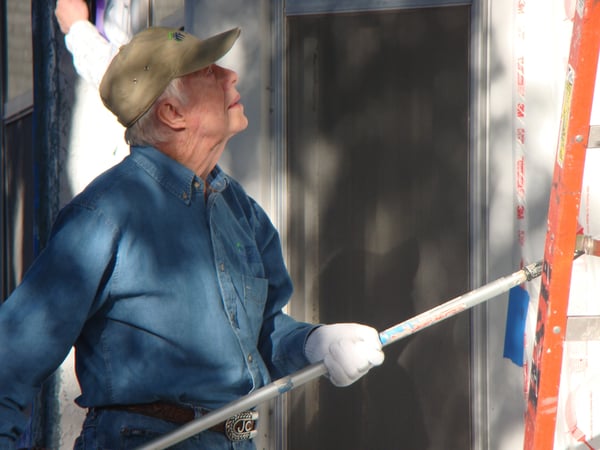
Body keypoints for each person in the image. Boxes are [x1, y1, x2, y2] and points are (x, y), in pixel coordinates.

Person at [0, 13, 384, 450]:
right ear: (171, 112)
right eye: (208, 71)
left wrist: (315, 343)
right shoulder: (103, 215)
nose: (231, 74)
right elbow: (9, 361)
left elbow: (263, 334)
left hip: (241, 437)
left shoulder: (238, 208)